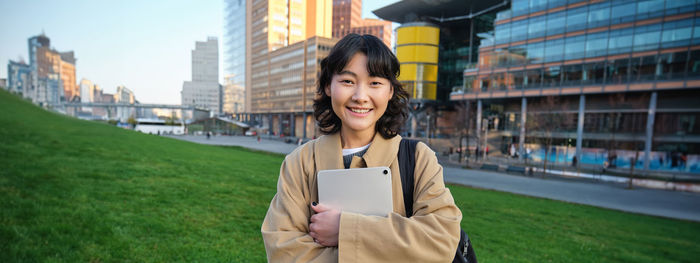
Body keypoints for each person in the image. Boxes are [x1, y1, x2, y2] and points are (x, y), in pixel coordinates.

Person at [261, 34, 462, 262]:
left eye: (375, 83)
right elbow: (283, 251)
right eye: (348, 81)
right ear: (328, 86)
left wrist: (344, 230)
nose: (360, 96)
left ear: (390, 91)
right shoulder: (300, 162)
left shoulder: (418, 158)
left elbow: (441, 240)